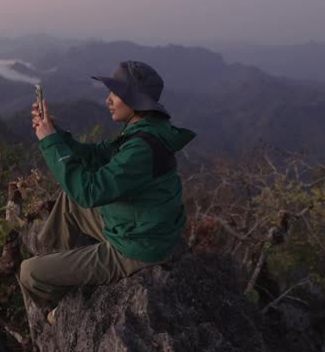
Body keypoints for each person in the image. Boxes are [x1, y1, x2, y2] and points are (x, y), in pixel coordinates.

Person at [19, 60, 195, 324]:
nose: (108, 100)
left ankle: (60, 307)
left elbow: (88, 192)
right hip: (137, 225)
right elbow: (95, 154)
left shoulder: (141, 148)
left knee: (28, 272)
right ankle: (58, 260)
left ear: (135, 101)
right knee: (70, 201)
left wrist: (50, 143)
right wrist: (56, 136)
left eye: (116, 94)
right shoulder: (144, 131)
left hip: (136, 247)